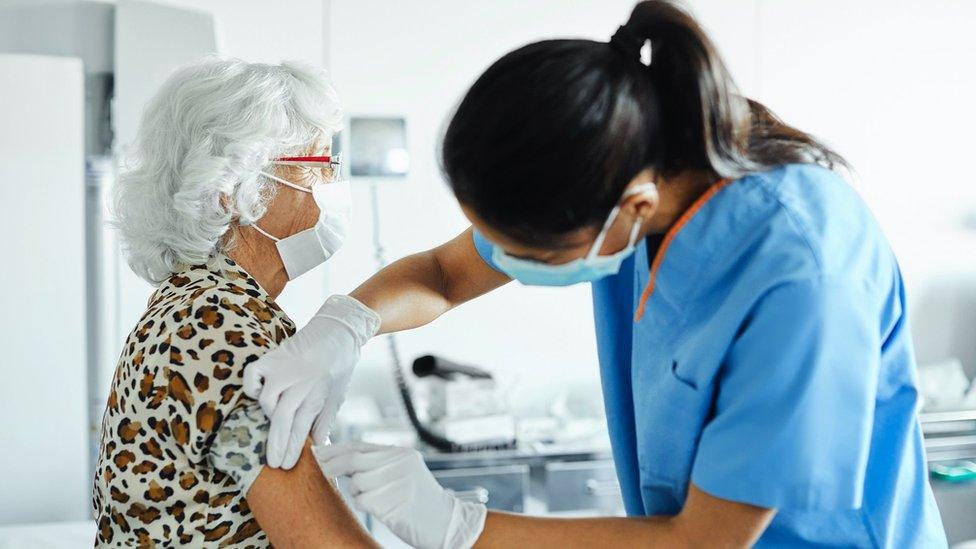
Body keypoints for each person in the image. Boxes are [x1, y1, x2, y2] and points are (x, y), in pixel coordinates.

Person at [245, 1, 948, 547]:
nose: (501, 261)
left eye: (527, 251)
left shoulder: (802, 273)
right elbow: (443, 274)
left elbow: (704, 539)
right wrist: (343, 325)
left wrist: (457, 526)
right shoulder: (631, 185)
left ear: (630, 208)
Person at [93, 57, 378, 548]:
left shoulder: (198, 300)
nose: (334, 186)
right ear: (231, 192)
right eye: (318, 164)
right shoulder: (215, 329)